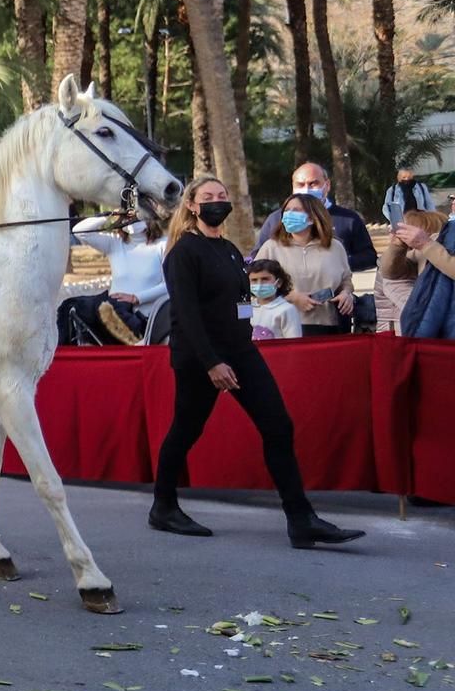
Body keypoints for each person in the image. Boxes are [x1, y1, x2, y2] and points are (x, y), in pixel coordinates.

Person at [148, 176, 363, 547]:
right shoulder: (184, 252)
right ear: (192, 206)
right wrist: (212, 363)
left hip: (241, 352)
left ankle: (301, 519)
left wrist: (245, 335)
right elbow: (186, 314)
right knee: (186, 430)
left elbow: (241, 301)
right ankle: (163, 506)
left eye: (223, 194)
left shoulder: (231, 250)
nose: (218, 201)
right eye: (209, 197)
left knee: (278, 426)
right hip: (201, 358)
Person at [58, 212, 169, 346]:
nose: (132, 220)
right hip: (111, 316)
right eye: (128, 217)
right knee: (70, 306)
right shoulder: (114, 243)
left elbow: (169, 285)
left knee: (106, 306)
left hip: (143, 320)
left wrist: (136, 297)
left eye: (136, 216)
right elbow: (80, 231)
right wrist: (110, 215)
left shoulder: (163, 244)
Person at [254, 193, 354, 335]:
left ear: (313, 217)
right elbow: (255, 287)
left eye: (296, 210)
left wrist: (346, 293)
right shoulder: (271, 248)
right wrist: (291, 297)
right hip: (285, 327)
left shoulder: (335, 247)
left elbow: (346, 279)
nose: (289, 214)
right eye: (287, 210)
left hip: (329, 325)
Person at [251, 163, 376, 273]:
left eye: (313, 184)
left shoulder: (349, 219)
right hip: (288, 295)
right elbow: (258, 257)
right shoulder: (276, 219)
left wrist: (337, 262)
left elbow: (369, 257)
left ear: (327, 185)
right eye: (300, 185)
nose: (306, 189)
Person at [391, 210, 455, 335]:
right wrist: (397, 246)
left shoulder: (434, 243)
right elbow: (390, 272)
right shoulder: (442, 239)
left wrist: (425, 244)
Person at [245, 259, 302, 341]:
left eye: (265, 279)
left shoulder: (287, 309)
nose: (259, 284)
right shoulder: (247, 306)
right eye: (254, 280)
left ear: (279, 283)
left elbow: (294, 342)